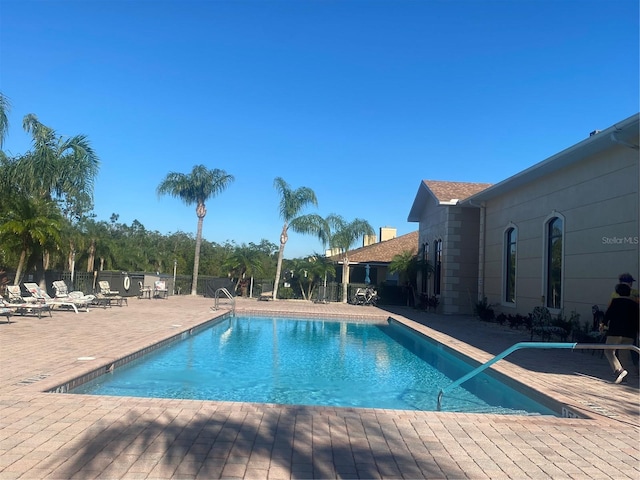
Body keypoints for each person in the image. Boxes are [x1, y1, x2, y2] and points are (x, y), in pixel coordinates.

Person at [603, 283, 640, 384]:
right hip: (630, 333)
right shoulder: (635, 304)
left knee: (608, 351)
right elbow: (637, 319)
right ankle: (624, 378)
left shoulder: (615, 302)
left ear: (618, 292)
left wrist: (603, 324)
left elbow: (608, 315)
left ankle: (619, 370)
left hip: (615, 332)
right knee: (624, 354)